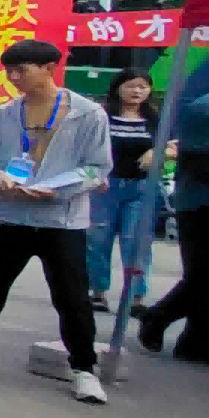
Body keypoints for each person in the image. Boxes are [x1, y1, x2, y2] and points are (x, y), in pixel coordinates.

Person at [0, 38, 113, 404]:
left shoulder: (88, 114)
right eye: (9, 71)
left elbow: (98, 168)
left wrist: (60, 189)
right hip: (10, 215)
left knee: (71, 295)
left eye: (22, 71)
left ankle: (83, 368)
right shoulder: (0, 116)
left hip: (62, 219)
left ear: (49, 69)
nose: (14, 78)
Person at [138, 78, 209, 362]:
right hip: (203, 204)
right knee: (206, 277)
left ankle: (196, 342)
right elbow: (194, 163)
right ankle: (159, 316)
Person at [86, 69, 159, 311]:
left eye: (142, 87)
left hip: (141, 188)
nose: (136, 91)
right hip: (105, 187)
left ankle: (135, 297)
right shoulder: (101, 116)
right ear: (118, 88)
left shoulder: (155, 119)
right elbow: (85, 149)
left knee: (136, 242)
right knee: (98, 238)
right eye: (131, 86)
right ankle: (97, 291)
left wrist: (157, 152)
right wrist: (92, 178)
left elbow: (175, 144)